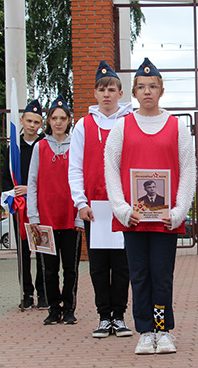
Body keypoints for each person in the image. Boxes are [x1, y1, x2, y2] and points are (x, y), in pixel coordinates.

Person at [105, 58, 196, 355]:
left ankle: (162, 329)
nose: (147, 91)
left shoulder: (177, 126)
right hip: (133, 218)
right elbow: (111, 168)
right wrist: (121, 208)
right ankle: (145, 330)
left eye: (153, 86)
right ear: (133, 92)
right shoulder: (122, 127)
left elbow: (188, 169)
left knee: (162, 276)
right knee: (139, 275)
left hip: (165, 219)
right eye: (142, 87)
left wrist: (179, 211)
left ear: (161, 91)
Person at [68, 61, 133, 338]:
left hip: (122, 206)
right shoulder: (83, 125)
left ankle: (120, 316)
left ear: (120, 93)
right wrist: (80, 202)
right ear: (95, 93)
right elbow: (75, 166)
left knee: (122, 264)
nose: (107, 94)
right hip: (94, 207)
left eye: (112, 89)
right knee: (98, 265)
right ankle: (104, 317)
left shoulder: (129, 122)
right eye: (102, 89)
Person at [27, 94, 83, 325]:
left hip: (70, 217)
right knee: (49, 269)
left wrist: (79, 216)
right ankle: (53, 308)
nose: (58, 122)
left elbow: (82, 180)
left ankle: (69, 309)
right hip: (45, 219)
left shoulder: (77, 146)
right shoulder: (40, 147)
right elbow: (32, 182)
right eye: (54, 118)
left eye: (62, 118)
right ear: (48, 121)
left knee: (70, 268)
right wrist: (33, 216)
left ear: (69, 120)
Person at [0, 99, 47, 310]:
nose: (32, 125)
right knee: (23, 252)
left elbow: (50, 177)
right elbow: (5, 179)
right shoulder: (14, 148)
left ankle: (44, 293)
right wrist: (12, 196)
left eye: (36, 122)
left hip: (40, 205)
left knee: (43, 250)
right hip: (19, 207)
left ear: (41, 124)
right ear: (21, 121)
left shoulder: (44, 145)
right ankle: (26, 293)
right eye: (29, 121)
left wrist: (32, 189)